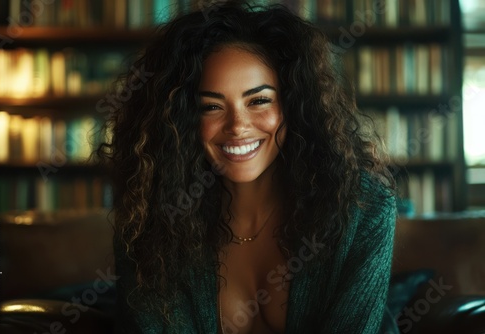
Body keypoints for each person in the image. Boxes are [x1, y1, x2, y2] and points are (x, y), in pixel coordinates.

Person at [98, 1, 397, 333]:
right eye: (210, 106)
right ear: (181, 121)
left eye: (259, 100)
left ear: (295, 105)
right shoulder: (149, 221)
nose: (237, 126)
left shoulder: (364, 209)